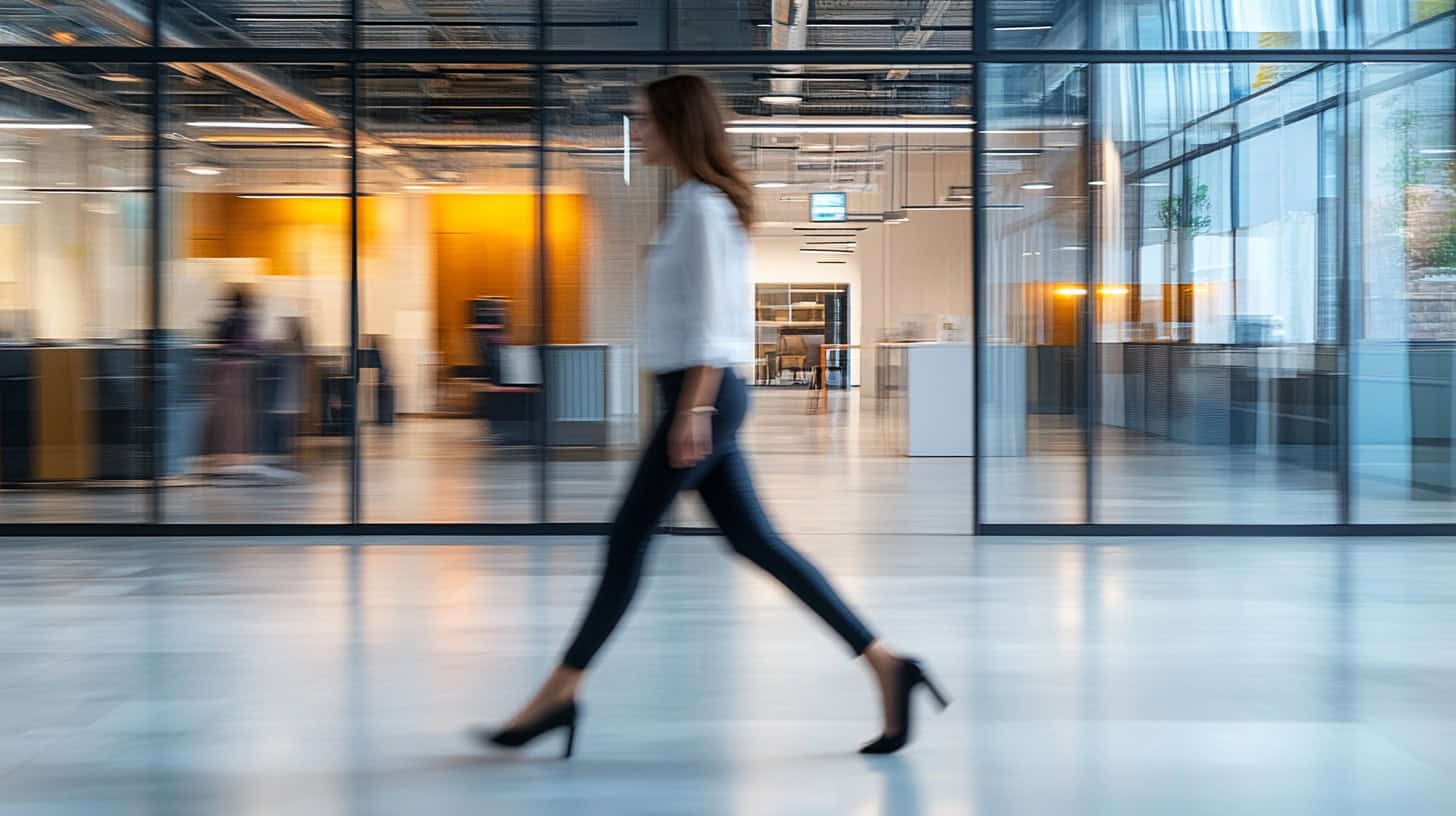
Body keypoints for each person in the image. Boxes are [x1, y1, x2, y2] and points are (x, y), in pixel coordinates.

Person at [476, 75, 946, 759]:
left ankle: (558, 695)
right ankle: (888, 666)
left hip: (701, 397)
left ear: (678, 126)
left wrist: (692, 411)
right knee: (758, 544)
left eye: (647, 120)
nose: (639, 131)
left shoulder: (701, 207)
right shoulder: (693, 205)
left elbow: (714, 326)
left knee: (626, 542)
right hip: (701, 396)